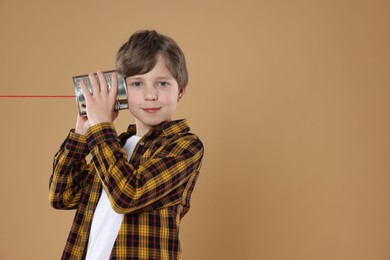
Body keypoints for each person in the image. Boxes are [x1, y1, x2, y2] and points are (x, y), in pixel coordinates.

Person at [49, 30, 204, 259]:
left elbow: (127, 194)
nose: (150, 95)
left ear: (180, 91)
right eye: (137, 84)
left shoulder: (185, 146)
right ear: (120, 91)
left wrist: (101, 128)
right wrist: (82, 133)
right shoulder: (115, 146)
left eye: (162, 83)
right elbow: (62, 196)